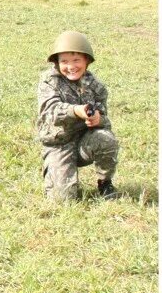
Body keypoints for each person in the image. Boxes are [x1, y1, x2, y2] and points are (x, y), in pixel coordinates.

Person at [36, 30, 119, 201]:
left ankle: (105, 183)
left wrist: (97, 119)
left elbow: (104, 119)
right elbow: (50, 111)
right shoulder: (48, 82)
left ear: (86, 61)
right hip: (58, 143)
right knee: (63, 200)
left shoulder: (96, 86)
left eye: (76, 60)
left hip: (84, 142)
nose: (71, 66)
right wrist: (76, 111)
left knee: (106, 138)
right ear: (56, 62)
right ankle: (60, 173)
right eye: (64, 61)